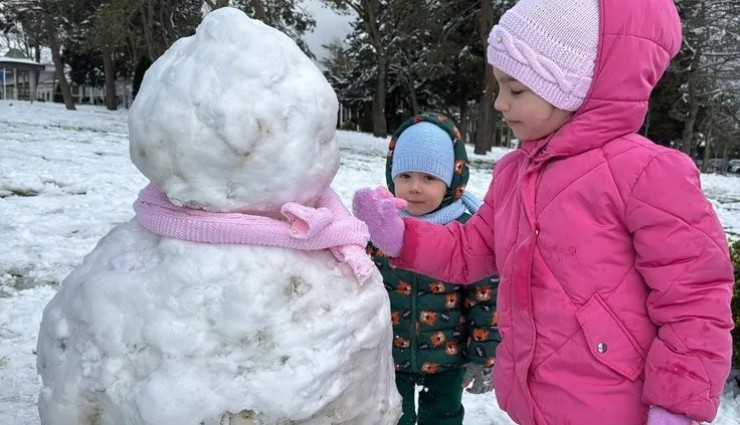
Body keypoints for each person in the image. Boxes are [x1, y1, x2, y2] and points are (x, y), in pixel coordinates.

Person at [352, 0, 735, 424]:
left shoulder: (645, 173)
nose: (499, 103)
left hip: (619, 407)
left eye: (515, 89)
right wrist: (402, 236)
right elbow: (470, 250)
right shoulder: (514, 174)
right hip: (535, 401)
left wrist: (676, 405)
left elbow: (694, 298)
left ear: (575, 85)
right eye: (499, 87)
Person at [368, 113, 500, 425]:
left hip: (448, 360)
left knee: (443, 419)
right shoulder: (379, 228)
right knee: (390, 417)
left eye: (428, 178)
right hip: (389, 357)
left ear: (450, 182)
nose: (414, 188)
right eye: (406, 176)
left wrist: (483, 358)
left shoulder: (467, 235)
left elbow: (485, 300)